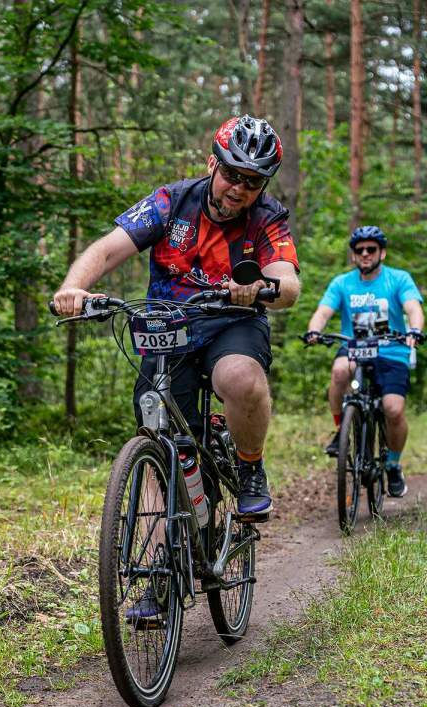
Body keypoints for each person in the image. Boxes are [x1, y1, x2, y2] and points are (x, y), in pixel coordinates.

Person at [53, 115, 301, 517]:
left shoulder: (267, 217)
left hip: (232, 323)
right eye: (232, 174)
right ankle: (153, 571)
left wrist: (260, 288)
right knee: (158, 435)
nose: (239, 188)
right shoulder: (171, 201)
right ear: (211, 164)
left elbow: (287, 283)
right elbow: (108, 249)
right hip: (168, 327)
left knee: (238, 376)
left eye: (252, 181)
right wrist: (73, 289)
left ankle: (250, 466)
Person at [305, 226, 424, 497]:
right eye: (360, 250)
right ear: (353, 256)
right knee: (338, 372)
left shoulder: (398, 279)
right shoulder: (342, 283)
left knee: (393, 409)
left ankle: (393, 464)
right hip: (355, 349)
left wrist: (414, 330)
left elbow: (413, 308)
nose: (366, 254)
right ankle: (342, 430)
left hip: (392, 351)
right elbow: (323, 312)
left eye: (371, 249)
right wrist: (314, 330)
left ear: (382, 252)